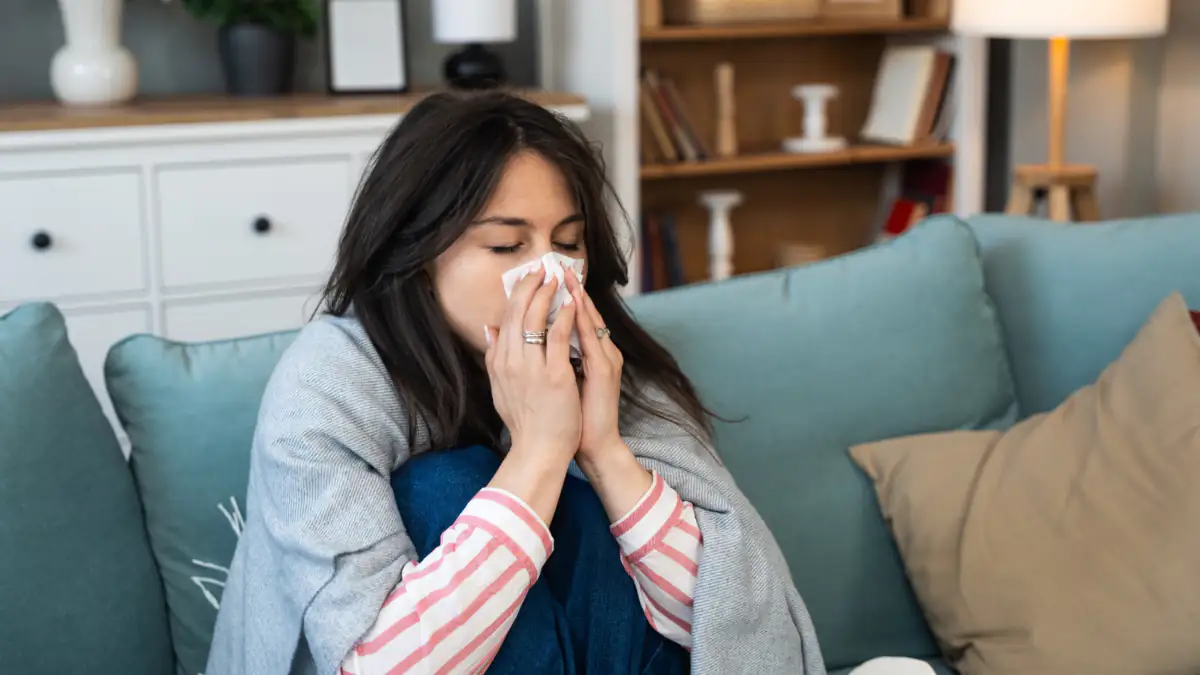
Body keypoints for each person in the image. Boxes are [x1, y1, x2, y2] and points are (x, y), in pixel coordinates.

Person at [206, 91, 826, 675]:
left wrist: (603, 450)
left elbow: (726, 626)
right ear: (418, 252)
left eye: (567, 242)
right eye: (507, 244)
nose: (547, 275)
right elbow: (375, 663)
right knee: (442, 483)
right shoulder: (329, 386)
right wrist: (536, 455)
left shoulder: (606, 358)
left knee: (587, 506)